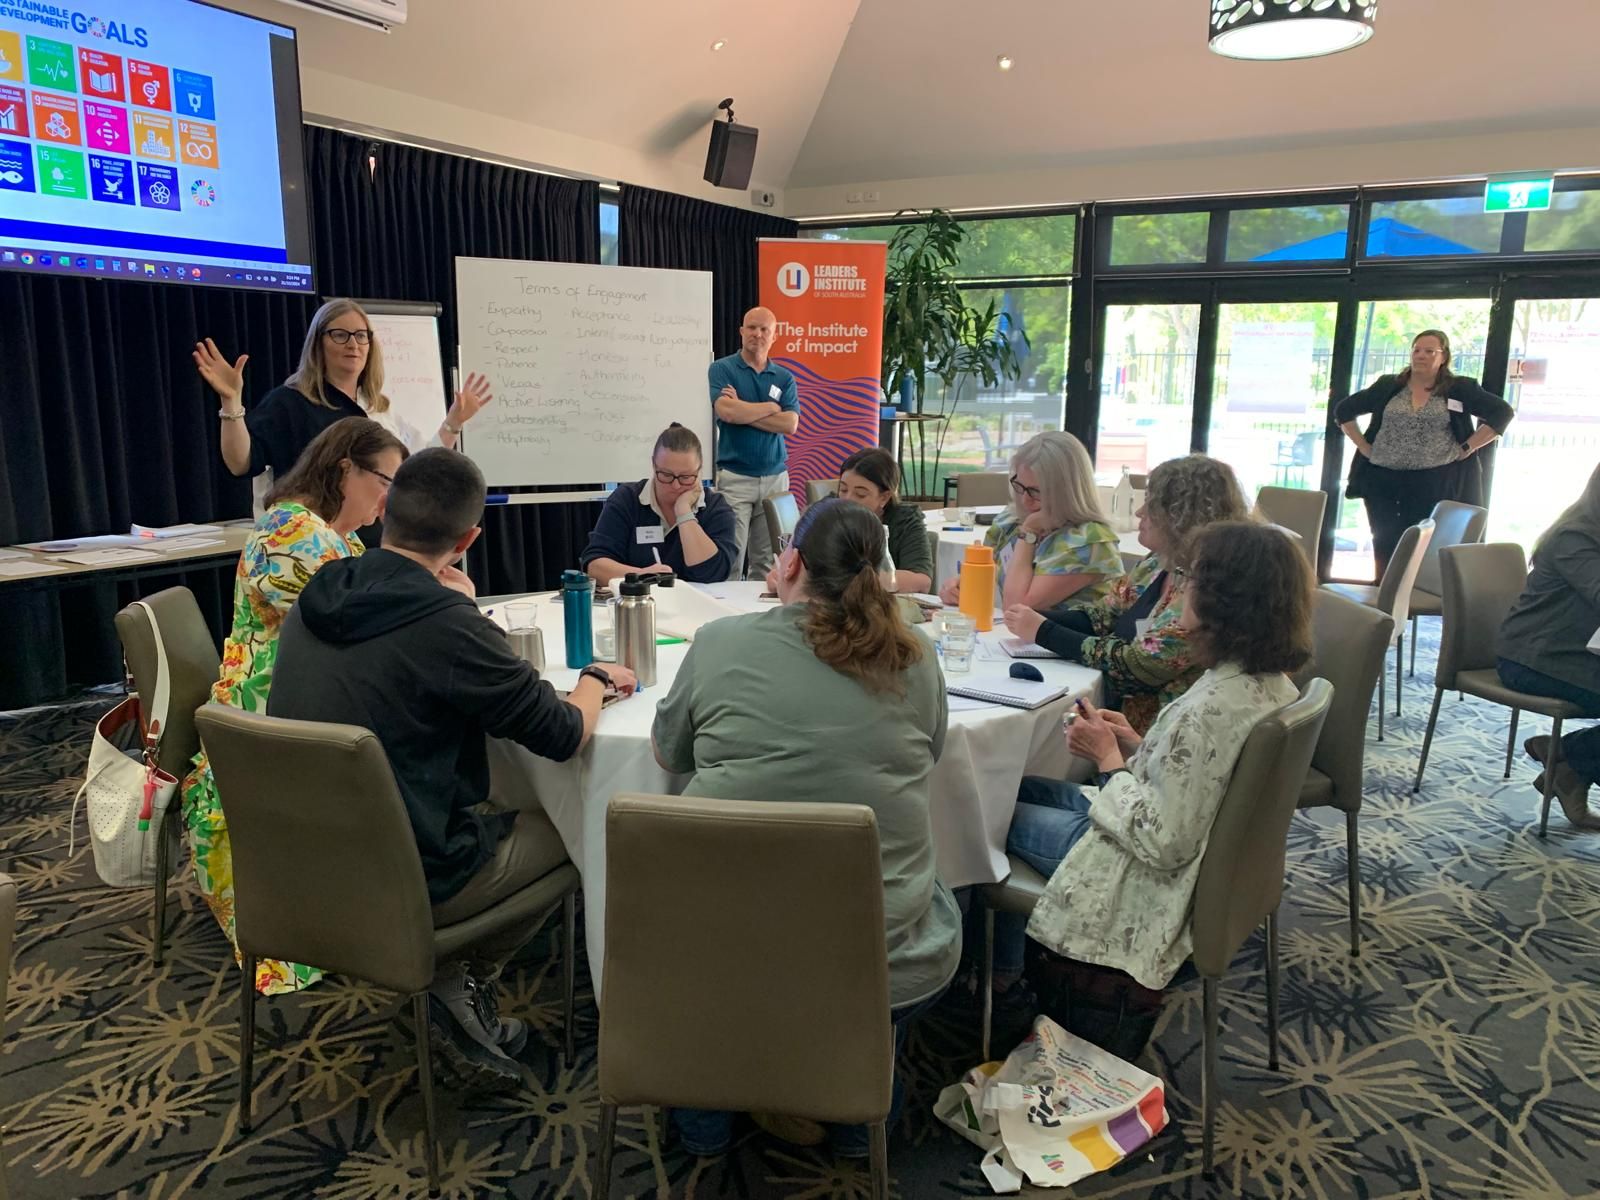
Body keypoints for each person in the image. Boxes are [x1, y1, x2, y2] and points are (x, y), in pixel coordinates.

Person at [268, 448, 637, 1087]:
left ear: (384, 510)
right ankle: (462, 980)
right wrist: (595, 680)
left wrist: (454, 607)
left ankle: (452, 976)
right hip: (403, 881)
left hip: (294, 865)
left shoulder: (321, 588)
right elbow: (563, 734)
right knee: (574, 825)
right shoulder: (446, 625)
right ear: (469, 539)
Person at [651, 498, 959, 1158]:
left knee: (715, 936)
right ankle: (855, 1109)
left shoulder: (719, 642)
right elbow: (930, 755)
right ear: (878, 573)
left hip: (730, 950)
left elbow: (667, 754)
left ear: (788, 561)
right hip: (884, 962)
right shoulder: (916, 654)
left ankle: (710, 1113)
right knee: (915, 891)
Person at [993, 522, 1312, 1009]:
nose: (1180, 587)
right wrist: (1142, 744)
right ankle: (1002, 965)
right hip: (1186, 843)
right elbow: (1210, 779)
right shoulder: (1265, 683)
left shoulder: (1208, 710)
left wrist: (1106, 759)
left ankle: (996, 972)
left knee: (988, 816)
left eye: (1191, 578)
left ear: (1221, 600)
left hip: (1140, 870)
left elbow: (1162, 843)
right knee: (1018, 787)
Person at [182, 418, 407, 996]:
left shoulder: (335, 535)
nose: (391, 504)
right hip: (268, 735)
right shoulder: (289, 534)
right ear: (345, 469)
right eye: (387, 483)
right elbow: (354, 622)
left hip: (302, 713)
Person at [1001, 455, 1250, 734]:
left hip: (1154, 730)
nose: (1140, 512)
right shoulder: (1160, 562)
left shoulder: (1206, 585)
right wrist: (1033, 620)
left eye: (1151, 504)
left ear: (1180, 517)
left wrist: (1044, 631)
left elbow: (1139, 665)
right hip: (1123, 717)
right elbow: (1105, 615)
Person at [197, 297, 493, 509]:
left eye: (361, 336)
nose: (352, 344)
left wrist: (452, 423)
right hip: (306, 549)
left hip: (368, 545)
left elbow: (415, 470)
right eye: (340, 335)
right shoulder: (288, 403)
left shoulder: (379, 407)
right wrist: (231, 401)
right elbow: (241, 463)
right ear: (318, 343)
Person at [1335, 329, 1513, 577]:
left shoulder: (1460, 388)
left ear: (1444, 356)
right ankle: (1386, 601)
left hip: (1435, 480)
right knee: (1385, 543)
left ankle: (1419, 600)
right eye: (1416, 350)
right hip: (1383, 479)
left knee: (1424, 546)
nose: (1421, 355)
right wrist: (1364, 446)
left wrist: (1468, 446)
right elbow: (1344, 410)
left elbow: (1502, 413)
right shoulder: (1389, 386)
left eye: (1429, 351)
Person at [1499, 463, 1600, 830]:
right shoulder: (1574, 538)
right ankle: (1571, 760)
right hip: (1535, 658)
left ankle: (1568, 760)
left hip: (1579, 654)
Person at [938, 431, 1122, 613]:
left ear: (1067, 491)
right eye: (1020, 487)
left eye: (1036, 491)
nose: (1025, 500)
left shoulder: (1090, 542)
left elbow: (1017, 606)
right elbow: (983, 575)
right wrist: (957, 586)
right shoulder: (1010, 521)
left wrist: (1028, 534)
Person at [580, 423, 739, 585]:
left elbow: (713, 573)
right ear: (653, 465)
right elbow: (595, 565)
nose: (676, 485)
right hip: (639, 602)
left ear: (699, 471)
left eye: (686, 477)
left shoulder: (715, 508)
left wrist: (684, 513)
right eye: (666, 475)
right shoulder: (627, 499)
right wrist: (642, 576)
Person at [707, 306, 800, 579]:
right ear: (741, 331)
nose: (757, 334)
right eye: (751, 327)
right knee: (731, 559)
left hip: (775, 479)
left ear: (774, 336)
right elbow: (726, 412)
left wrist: (744, 411)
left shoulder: (784, 377)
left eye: (764, 329)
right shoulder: (722, 369)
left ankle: (758, 617)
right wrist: (772, 407)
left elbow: (790, 424)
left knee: (768, 563)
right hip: (736, 479)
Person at [835, 447, 935, 594]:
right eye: (843, 490)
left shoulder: (904, 520)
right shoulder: (829, 511)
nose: (847, 499)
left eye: (860, 494)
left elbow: (921, 581)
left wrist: (854, 581)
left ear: (884, 497)